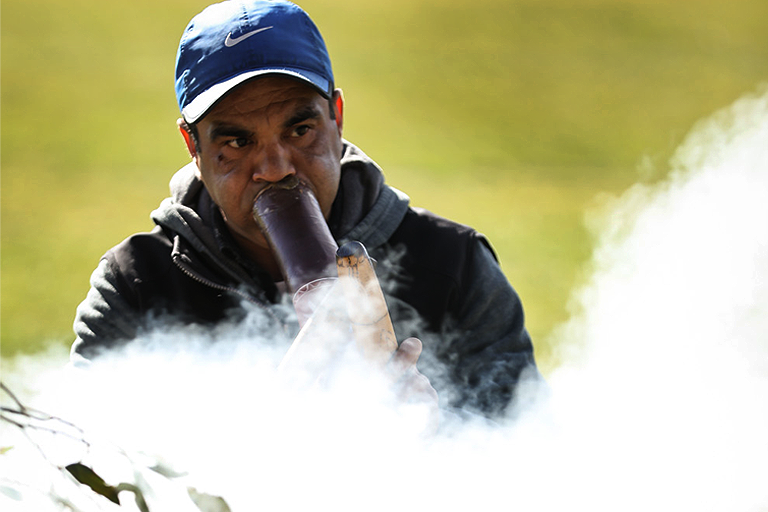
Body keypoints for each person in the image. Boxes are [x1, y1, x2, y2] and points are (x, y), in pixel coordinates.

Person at [71, 0, 541, 419]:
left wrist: (434, 438)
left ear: (336, 116)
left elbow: (532, 459)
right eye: (237, 141)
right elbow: (86, 471)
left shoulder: (451, 265)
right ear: (192, 144)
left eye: (299, 131)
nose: (275, 169)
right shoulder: (135, 284)